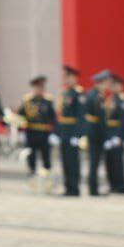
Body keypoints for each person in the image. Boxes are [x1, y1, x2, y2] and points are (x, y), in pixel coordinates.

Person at [17, 76, 55, 177]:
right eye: (37, 87)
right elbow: (21, 116)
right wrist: (19, 128)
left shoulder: (48, 100)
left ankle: (47, 175)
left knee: (46, 155)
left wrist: (54, 133)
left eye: (41, 87)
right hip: (31, 131)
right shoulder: (27, 100)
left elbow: (52, 117)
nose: (39, 90)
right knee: (31, 154)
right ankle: (32, 173)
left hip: (44, 132)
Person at [56, 66, 84, 196]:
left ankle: (74, 188)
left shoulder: (79, 94)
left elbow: (81, 116)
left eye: (68, 77)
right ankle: (68, 187)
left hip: (72, 132)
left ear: (74, 78)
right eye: (65, 77)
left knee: (73, 162)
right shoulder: (65, 93)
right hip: (65, 132)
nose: (66, 80)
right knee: (65, 161)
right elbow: (61, 116)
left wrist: (77, 135)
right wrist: (57, 133)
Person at [84, 69, 112, 196]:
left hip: (92, 132)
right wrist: (106, 137)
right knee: (94, 162)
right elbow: (101, 120)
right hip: (96, 134)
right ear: (100, 83)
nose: (107, 86)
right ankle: (93, 190)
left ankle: (93, 188)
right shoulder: (97, 97)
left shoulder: (91, 94)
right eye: (106, 83)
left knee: (93, 162)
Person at [105, 74, 124, 194]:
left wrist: (118, 136)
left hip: (117, 135)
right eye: (112, 85)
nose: (113, 87)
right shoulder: (109, 99)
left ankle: (121, 186)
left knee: (117, 161)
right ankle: (112, 185)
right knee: (109, 161)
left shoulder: (123, 99)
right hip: (109, 134)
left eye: (115, 85)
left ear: (121, 86)